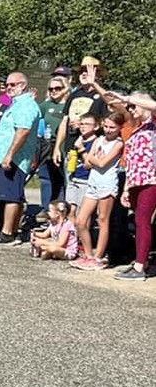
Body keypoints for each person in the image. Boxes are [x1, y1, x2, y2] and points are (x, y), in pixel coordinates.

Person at [0, 72, 42, 244]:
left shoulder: (25, 105)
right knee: (13, 195)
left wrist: (9, 155)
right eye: (6, 85)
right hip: (9, 157)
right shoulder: (16, 103)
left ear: (23, 85)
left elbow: (23, 130)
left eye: (12, 85)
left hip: (15, 159)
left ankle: (7, 232)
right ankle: (13, 230)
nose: (8, 88)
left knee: (11, 196)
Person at [109, 93, 156, 280]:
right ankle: (141, 261)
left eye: (134, 105)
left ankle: (139, 267)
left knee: (143, 220)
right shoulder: (138, 128)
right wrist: (127, 188)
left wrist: (129, 98)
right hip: (137, 180)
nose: (131, 109)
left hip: (151, 180)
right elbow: (131, 160)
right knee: (140, 221)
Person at [70, 112, 124, 271]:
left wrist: (89, 155)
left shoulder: (118, 143)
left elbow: (101, 163)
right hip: (93, 182)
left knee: (102, 219)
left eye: (112, 127)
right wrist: (91, 158)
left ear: (119, 128)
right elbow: (87, 164)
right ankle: (88, 254)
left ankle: (99, 257)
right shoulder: (99, 140)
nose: (108, 130)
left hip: (107, 184)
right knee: (81, 220)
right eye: (106, 126)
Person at [35, 75, 71, 221]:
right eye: (51, 89)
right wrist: (4, 96)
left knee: (63, 181)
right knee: (46, 179)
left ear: (65, 88)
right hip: (47, 146)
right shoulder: (46, 105)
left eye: (58, 88)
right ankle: (46, 210)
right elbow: (28, 110)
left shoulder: (69, 104)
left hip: (64, 147)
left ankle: (62, 211)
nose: (54, 91)